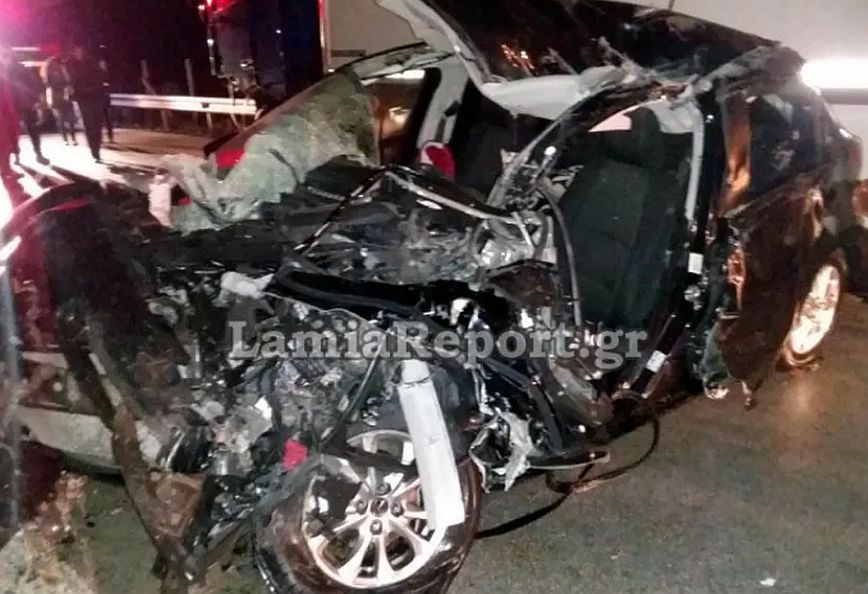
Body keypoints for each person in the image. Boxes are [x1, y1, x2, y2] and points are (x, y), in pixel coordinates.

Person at [2, 48, 48, 165]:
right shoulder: (15, 69)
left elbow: (32, 84)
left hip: (18, 105)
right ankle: (34, 155)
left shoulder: (12, 70)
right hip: (18, 105)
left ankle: (23, 156)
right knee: (24, 131)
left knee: (16, 132)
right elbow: (33, 84)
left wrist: (35, 100)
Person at [66, 44, 106, 162]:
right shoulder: (73, 64)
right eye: (75, 51)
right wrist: (73, 93)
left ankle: (97, 145)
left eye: (79, 51)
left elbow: (99, 77)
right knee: (89, 124)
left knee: (97, 124)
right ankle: (94, 149)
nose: (77, 53)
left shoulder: (91, 62)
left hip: (96, 97)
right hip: (83, 99)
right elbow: (72, 81)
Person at [42, 55, 78, 146]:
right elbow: (49, 86)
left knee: (68, 118)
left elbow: (69, 82)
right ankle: (67, 138)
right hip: (58, 97)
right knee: (63, 118)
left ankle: (70, 138)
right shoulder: (50, 74)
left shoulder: (62, 72)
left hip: (64, 96)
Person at [0, 47, 21, 181]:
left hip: (7, 111)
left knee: (7, 143)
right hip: (3, 113)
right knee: (3, 143)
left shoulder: (5, 72)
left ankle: (7, 169)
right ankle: (6, 170)